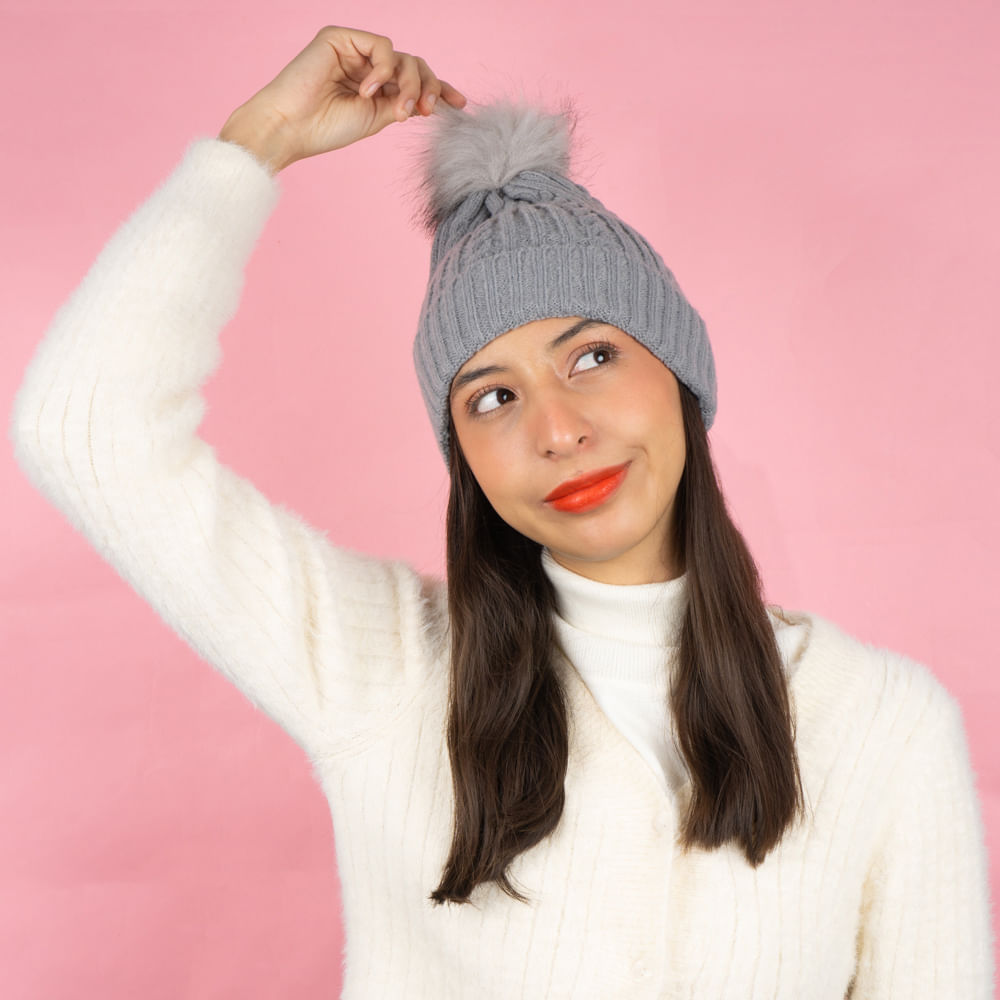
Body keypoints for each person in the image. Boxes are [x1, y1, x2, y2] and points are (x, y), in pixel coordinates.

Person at [9, 24, 994, 1000]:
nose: (557, 429)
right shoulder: (381, 671)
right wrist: (256, 140)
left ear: (681, 377)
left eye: (593, 357)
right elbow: (84, 427)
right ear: (463, 457)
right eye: (492, 397)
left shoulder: (882, 725)